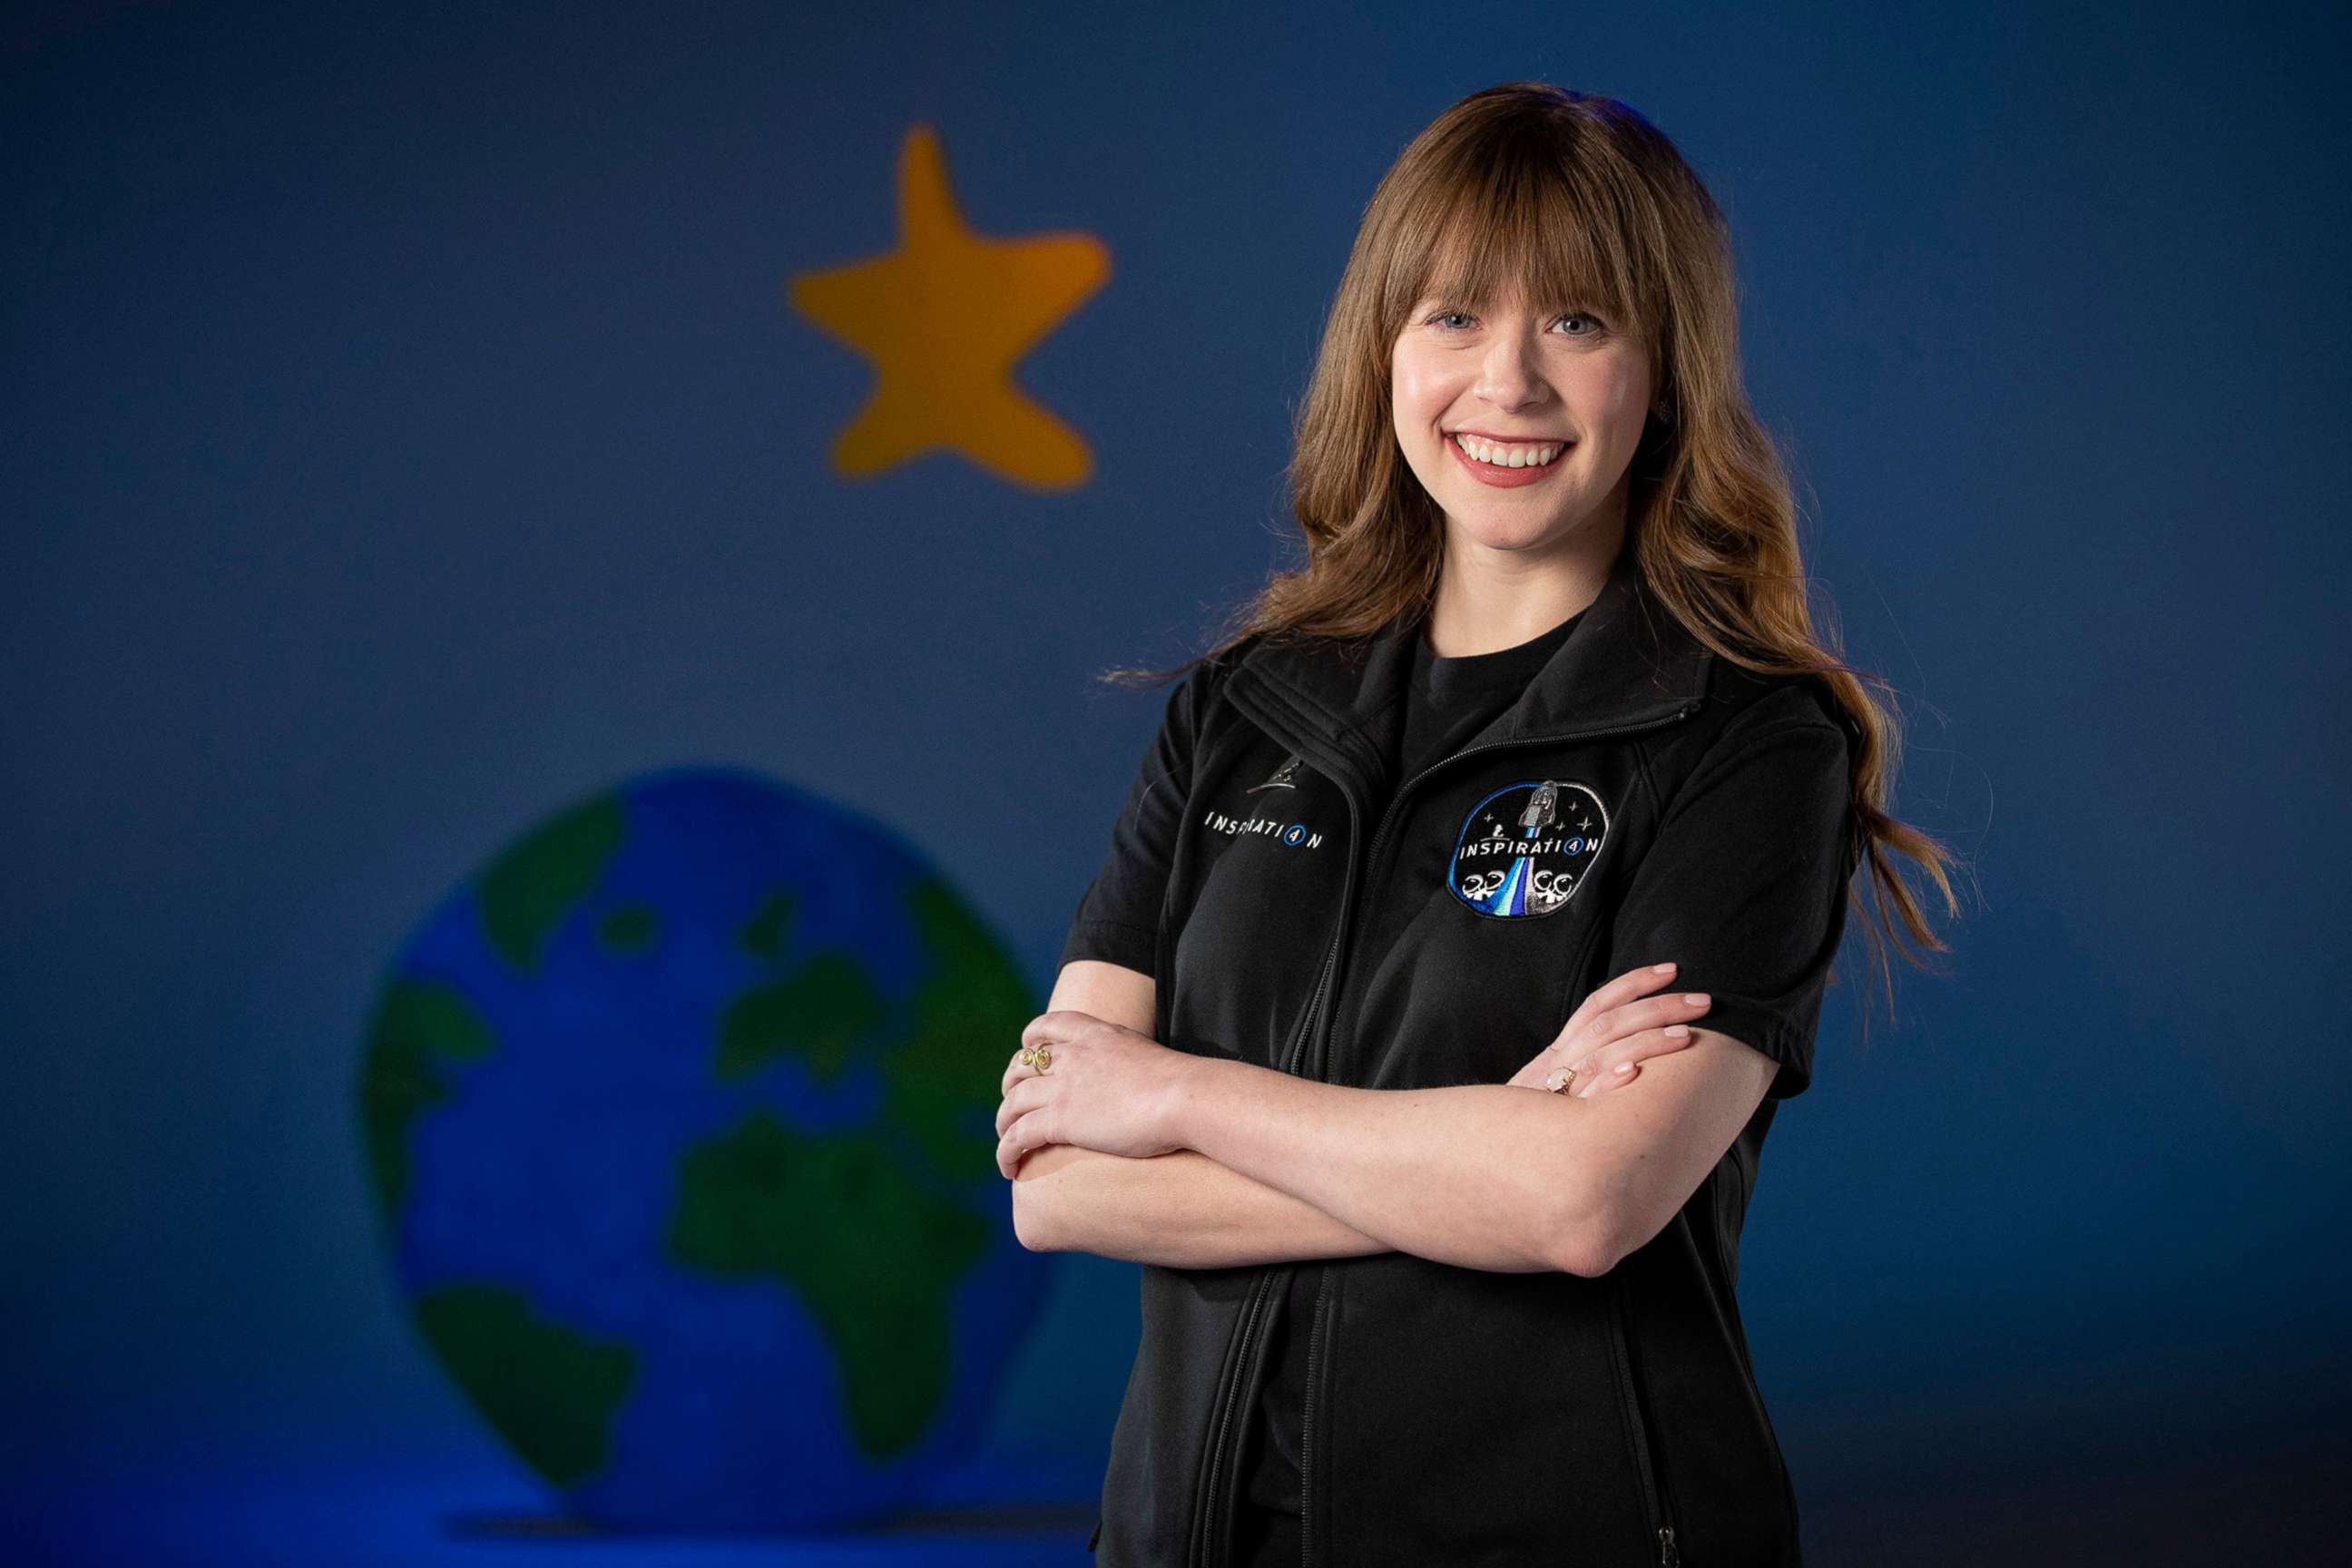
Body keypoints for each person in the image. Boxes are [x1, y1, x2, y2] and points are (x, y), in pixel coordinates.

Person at [996, 83, 1959, 1567]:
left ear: (1666, 371)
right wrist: (1483, 1152)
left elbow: (1584, 1204)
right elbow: (1059, 1183)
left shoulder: (1751, 742)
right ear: (1382, 348)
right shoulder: (1242, 710)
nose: (1505, 383)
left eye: (1577, 322)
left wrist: (1178, 1100)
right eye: (1452, 316)